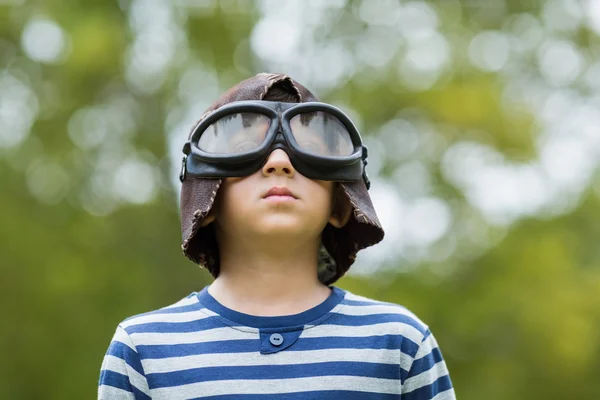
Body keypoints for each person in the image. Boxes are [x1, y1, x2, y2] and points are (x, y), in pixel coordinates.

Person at [97, 73, 456, 399]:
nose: (279, 161)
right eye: (244, 149)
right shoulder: (143, 351)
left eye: (310, 149)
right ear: (206, 200)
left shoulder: (398, 345)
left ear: (340, 204)